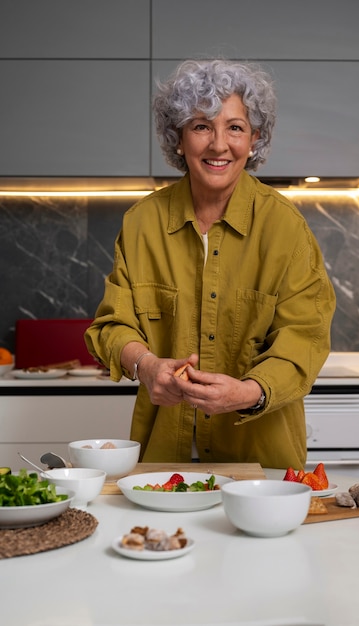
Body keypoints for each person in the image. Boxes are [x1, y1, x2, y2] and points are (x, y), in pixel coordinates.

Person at [85, 59, 336, 469]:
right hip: (163, 462)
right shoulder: (141, 223)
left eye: (235, 127)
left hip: (259, 463)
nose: (219, 144)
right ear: (179, 139)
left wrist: (249, 392)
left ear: (254, 139)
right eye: (202, 126)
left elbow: (305, 338)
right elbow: (112, 326)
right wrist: (146, 366)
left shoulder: (286, 228)